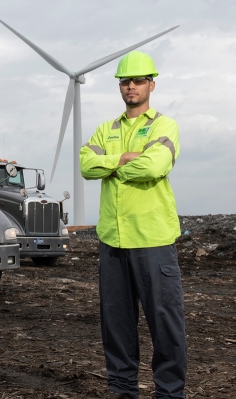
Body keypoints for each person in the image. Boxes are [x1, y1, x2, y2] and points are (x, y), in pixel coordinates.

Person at [79, 50, 187, 399]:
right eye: (125, 81)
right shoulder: (105, 129)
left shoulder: (164, 126)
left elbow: (154, 167)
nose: (131, 87)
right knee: (117, 326)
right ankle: (123, 392)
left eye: (138, 80)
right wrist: (123, 158)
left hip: (152, 239)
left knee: (165, 323)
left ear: (151, 84)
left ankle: (169, 394)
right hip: (113, 241)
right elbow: (85, 166)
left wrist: (109, 164)